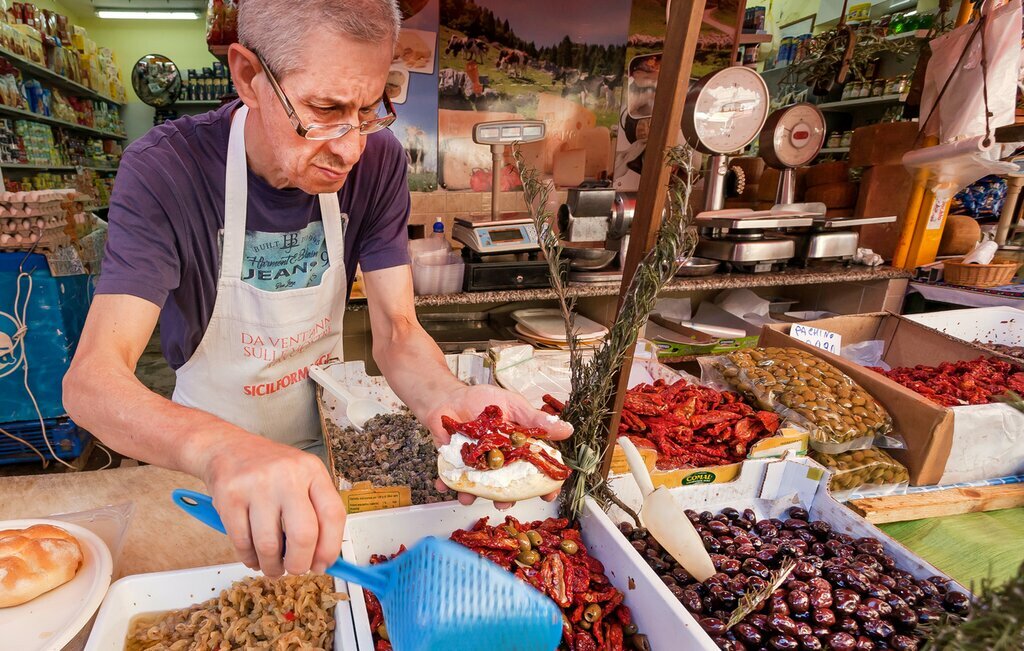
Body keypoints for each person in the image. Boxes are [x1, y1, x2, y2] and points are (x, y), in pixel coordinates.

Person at [63, 0, 570, 578]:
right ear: (249, 76)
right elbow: (92, 382)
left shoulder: (378, 162)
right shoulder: (165, 170)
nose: (351, 146)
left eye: (370, 107)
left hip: (323, 448)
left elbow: (398, 330)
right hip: (203, 464)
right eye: (325, 110)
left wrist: (449, 403)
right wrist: (220, 449)